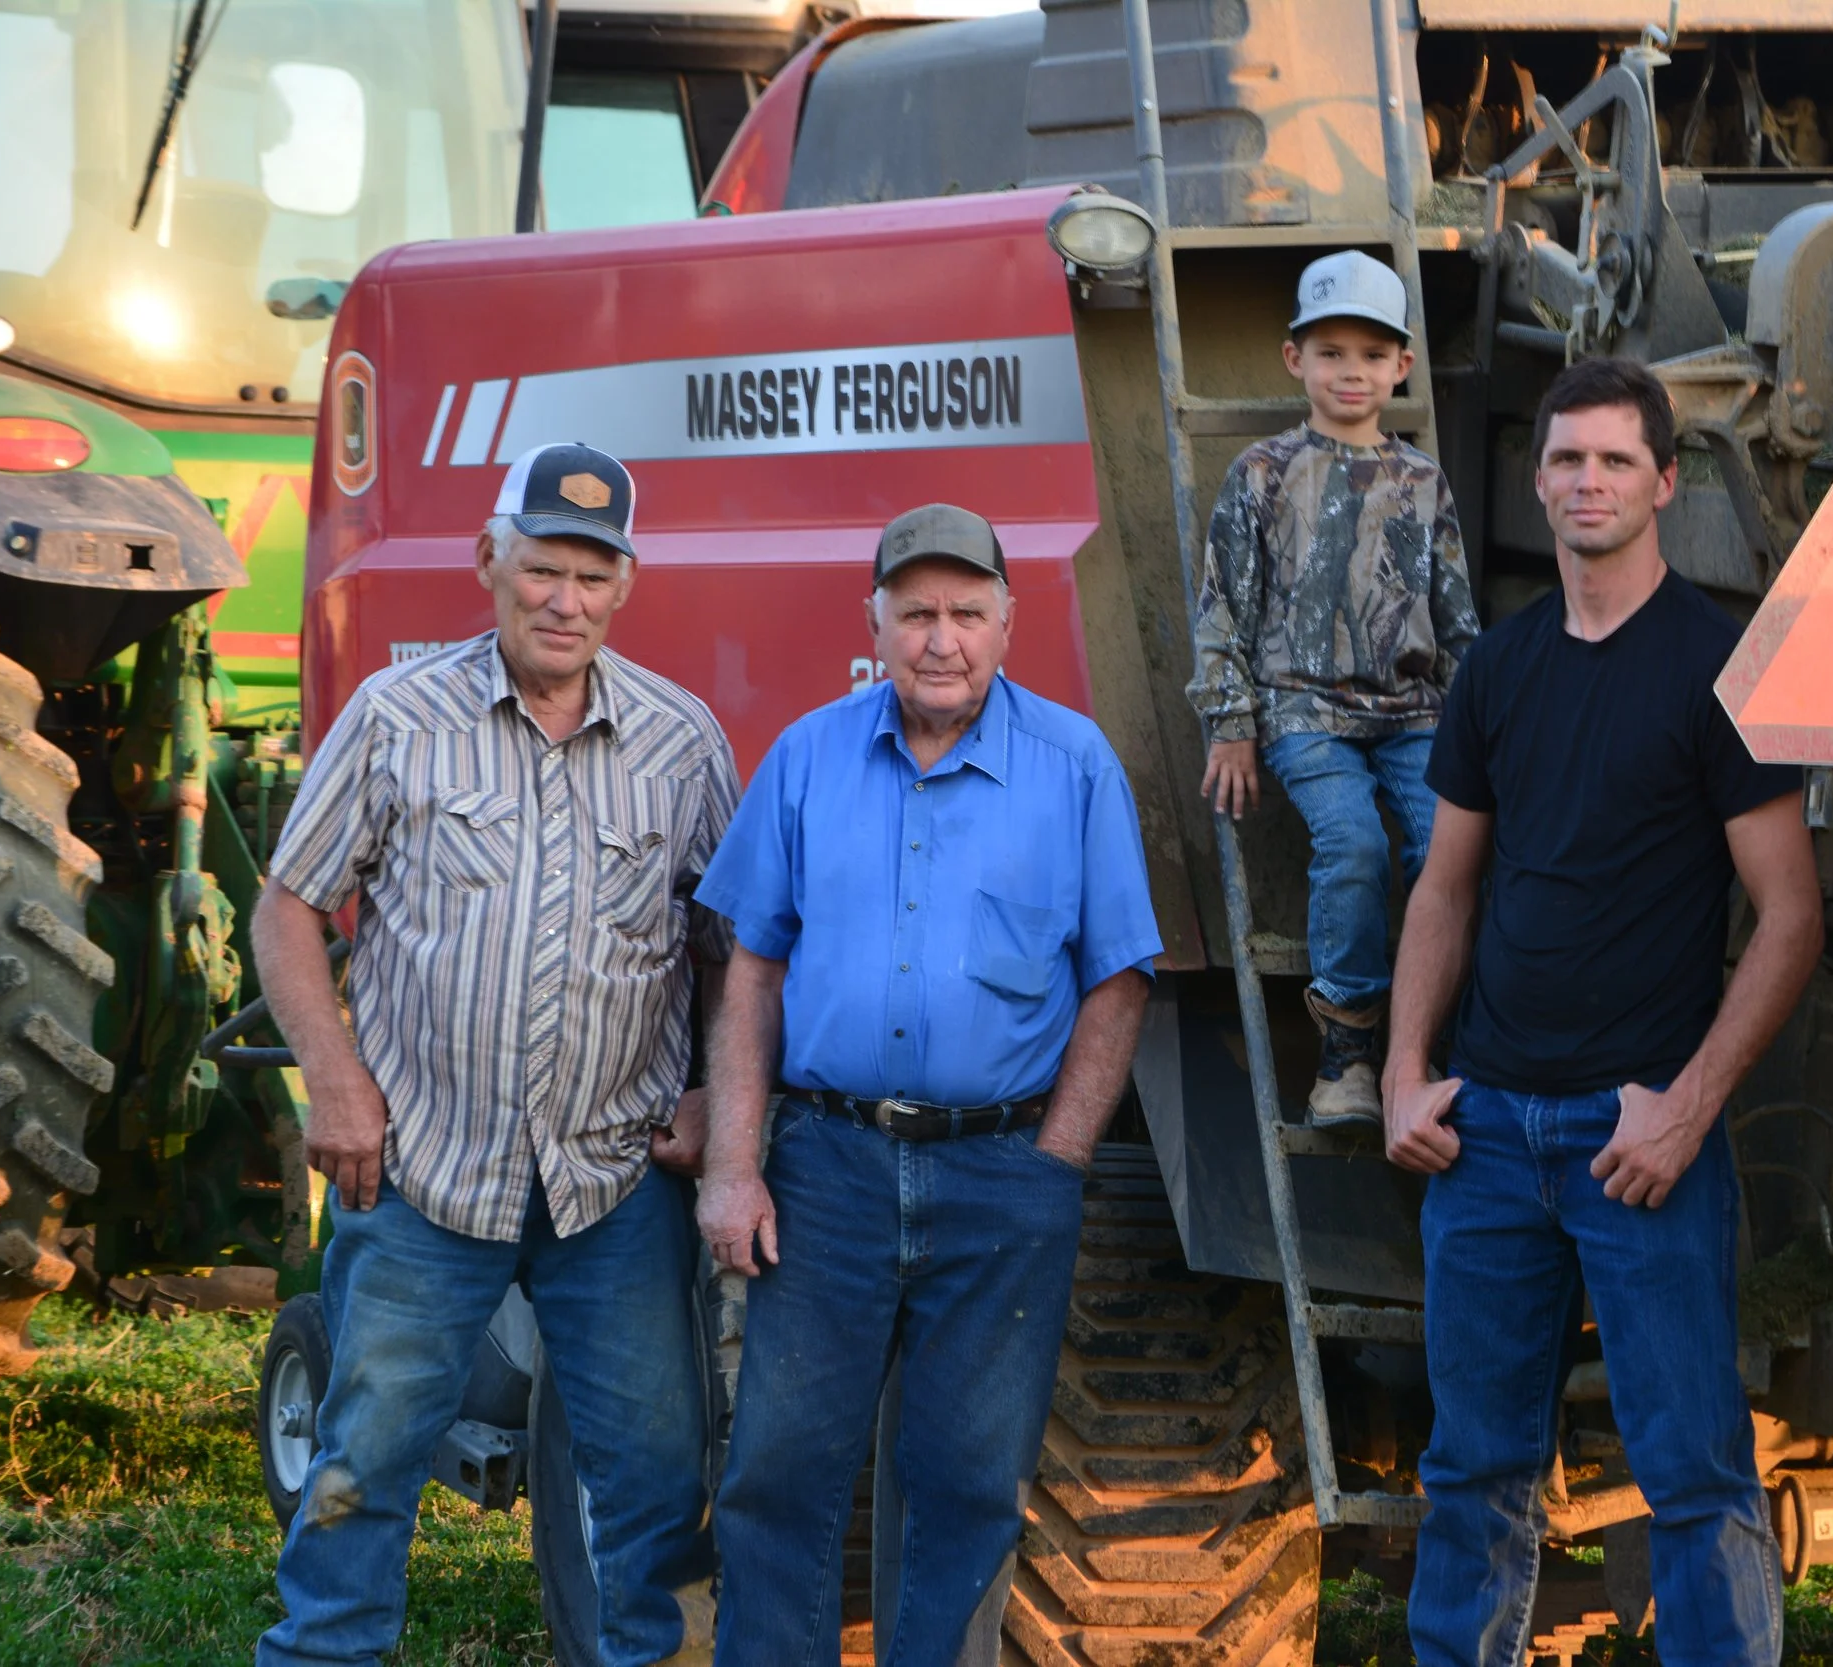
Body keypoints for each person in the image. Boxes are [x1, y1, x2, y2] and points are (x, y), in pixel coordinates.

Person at [252, 443, 738, 1667]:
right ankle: (323, 1653)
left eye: (591, 572)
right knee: (367, 1457)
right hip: (422, 1173)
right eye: (541, 568)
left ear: (625, 582)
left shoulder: (682, 743)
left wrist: (705, 1095)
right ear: (489, 562)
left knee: (655, 1478)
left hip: (612, 1189)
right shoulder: (396, 717)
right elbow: (286, 907)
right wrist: (336, 1076)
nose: (563, 599)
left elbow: (731, 949)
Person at [1382, 359, 1824, 1667]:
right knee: (1472, 1470)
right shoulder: (1501, 667)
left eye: (1616, 461)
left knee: (1693, 1472)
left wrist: (1685, 1111)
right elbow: (1444, 889)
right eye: (1567, 459)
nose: (1587, 482)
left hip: (1642, 1140)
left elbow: (1791, 914)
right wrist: (1407, 1072)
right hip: (1488, 1137)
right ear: (1538, 480)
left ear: (1666, 484)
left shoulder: (1714, 666)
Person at [693, 502, 1161, 1667]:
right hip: (829, 1170)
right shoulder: (806, 756)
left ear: (1008, 621)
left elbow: (1118, 981)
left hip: (1003, 1174)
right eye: (914, 613)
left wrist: (1056, 1159)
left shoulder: (1074, 766)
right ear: (875, 623)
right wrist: (734, 1164)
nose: (938, 638)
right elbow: (751, 974)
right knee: (781, 1473)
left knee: (966, 1483)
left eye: (964, 612)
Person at [1187, 249, 1479, 1128]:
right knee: (1352, 842)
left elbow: (1457, 614)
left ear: (1401, 365)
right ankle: (1347, 1051)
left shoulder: (1423, 480)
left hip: (1413, 712)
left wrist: (1477, 733)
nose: (1351, 371)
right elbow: (1221, 609)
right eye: (1331, 352)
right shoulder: (1262, 474)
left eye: (1370, 354)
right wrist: (1231, 723)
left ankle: (1439, 1041)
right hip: (1302, 710)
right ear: (1295, 361)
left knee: (1447, 850)